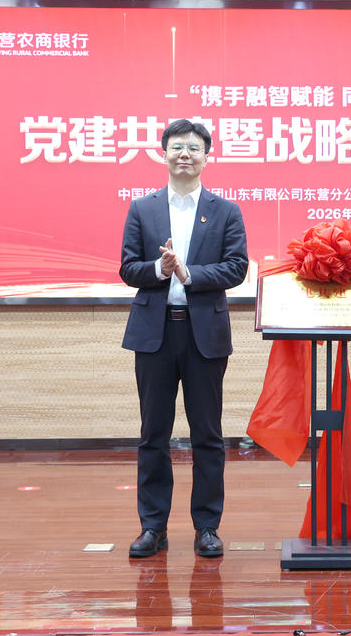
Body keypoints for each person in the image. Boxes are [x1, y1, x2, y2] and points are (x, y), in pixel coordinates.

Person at [119, 119, 248, 558]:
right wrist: (159, 269)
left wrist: (188, 273)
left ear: (207, 156)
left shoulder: (225, 210)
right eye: (177, 147)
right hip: (154, 334)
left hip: (203, 335)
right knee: (153, 434)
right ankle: (152, 527)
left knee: (207, 435)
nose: (185, 154)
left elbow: (236, 267)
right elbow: (128, 268)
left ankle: (207, 527)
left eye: (194, 147)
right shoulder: (143, 208)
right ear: (163, 154)